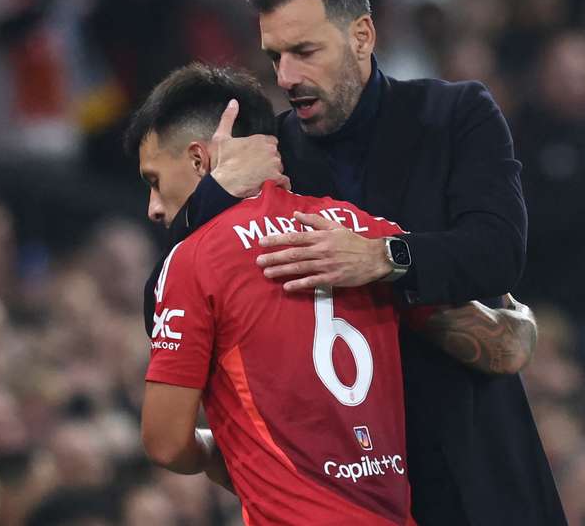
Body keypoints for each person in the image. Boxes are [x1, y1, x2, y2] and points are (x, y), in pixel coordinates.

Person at [149, 0, 565, 526]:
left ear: (362, 36)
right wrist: (216, 194)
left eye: (305, 52)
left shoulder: (454, 114)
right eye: (275, 57)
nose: (286, 76)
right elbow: (166, 295)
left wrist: (384, 257)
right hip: (351, 480)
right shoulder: (274, 154)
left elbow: (497, 252)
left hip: (475, 459)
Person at [129, 63, 419, 524]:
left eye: (154, 181)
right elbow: (496, 337)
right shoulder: (363, 232)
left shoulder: (194, 259)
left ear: (200, 159)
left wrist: (214, 448)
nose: (154, 208)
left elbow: (165, 442)